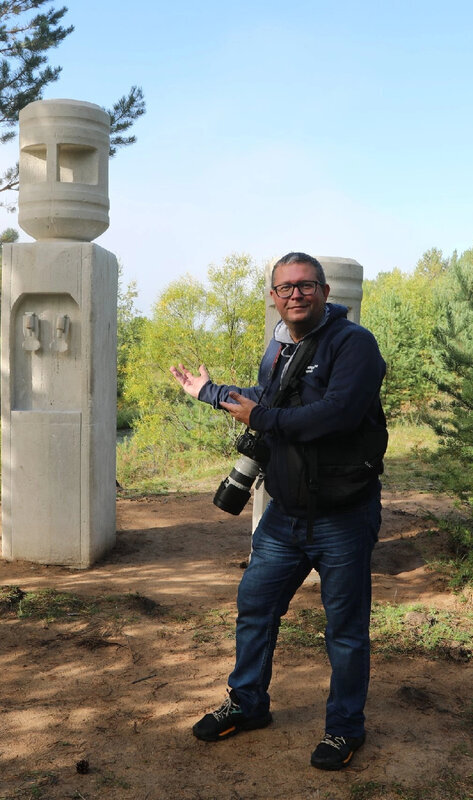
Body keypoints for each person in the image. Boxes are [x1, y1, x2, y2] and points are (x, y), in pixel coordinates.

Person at [169, 251, 387, 771]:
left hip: (343, 515)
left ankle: (344, 730)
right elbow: (266, 400)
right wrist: (211, 392)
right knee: (256, 608)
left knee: (346, 630)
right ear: (273, 295)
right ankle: (247, 704)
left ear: (325, 293)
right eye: (286, 287)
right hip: (284, 515)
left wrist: (263, 414)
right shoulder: (278, 349)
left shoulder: (354, 344)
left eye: (306, 286)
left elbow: (337, 414)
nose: (295, 294)